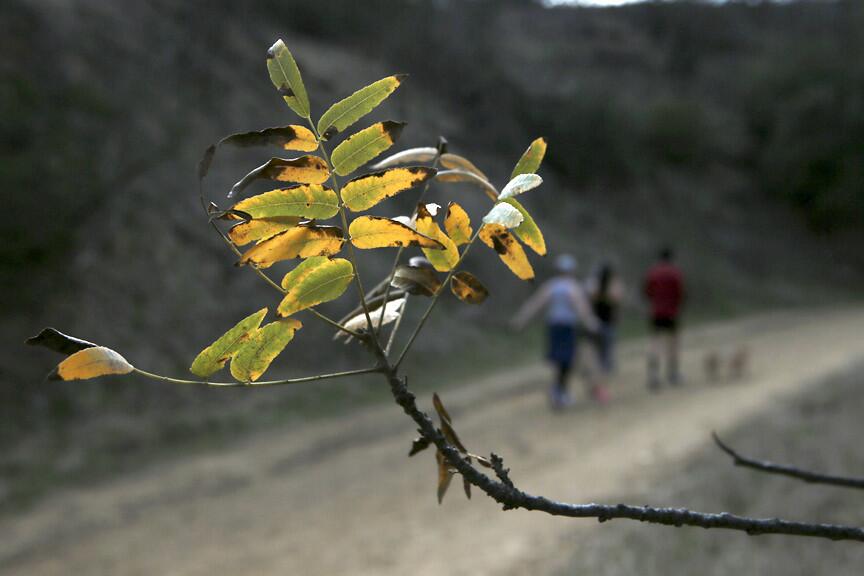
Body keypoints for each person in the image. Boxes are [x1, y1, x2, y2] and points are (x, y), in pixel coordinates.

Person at [512, 254, 599, 408]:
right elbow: (581, 307)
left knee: (560, 361)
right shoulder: (573, 287)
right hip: (567, 327)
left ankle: (558, 391)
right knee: (567, 361)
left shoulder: (551, 286)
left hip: (553, 327)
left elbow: (535, 304)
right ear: (571, 271)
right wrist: (591, 323)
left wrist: (521, 319)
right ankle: (560, 392)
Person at [643, 246, 685, 390]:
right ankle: (673, 373)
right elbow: (680, 293)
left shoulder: (652, 272)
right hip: (672, 312)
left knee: (655, 342)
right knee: (673, 342)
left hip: (656, 312)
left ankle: (653, 375)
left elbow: (647, 291)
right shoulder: (675, 273)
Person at [584, 261, 625, 402]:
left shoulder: (592, 288)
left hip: (593, 326)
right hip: (606, 327)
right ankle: (601, 389)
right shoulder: (611, 288)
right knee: (604, 360)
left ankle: (595, 386)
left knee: (595, 359)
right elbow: (617, 301)